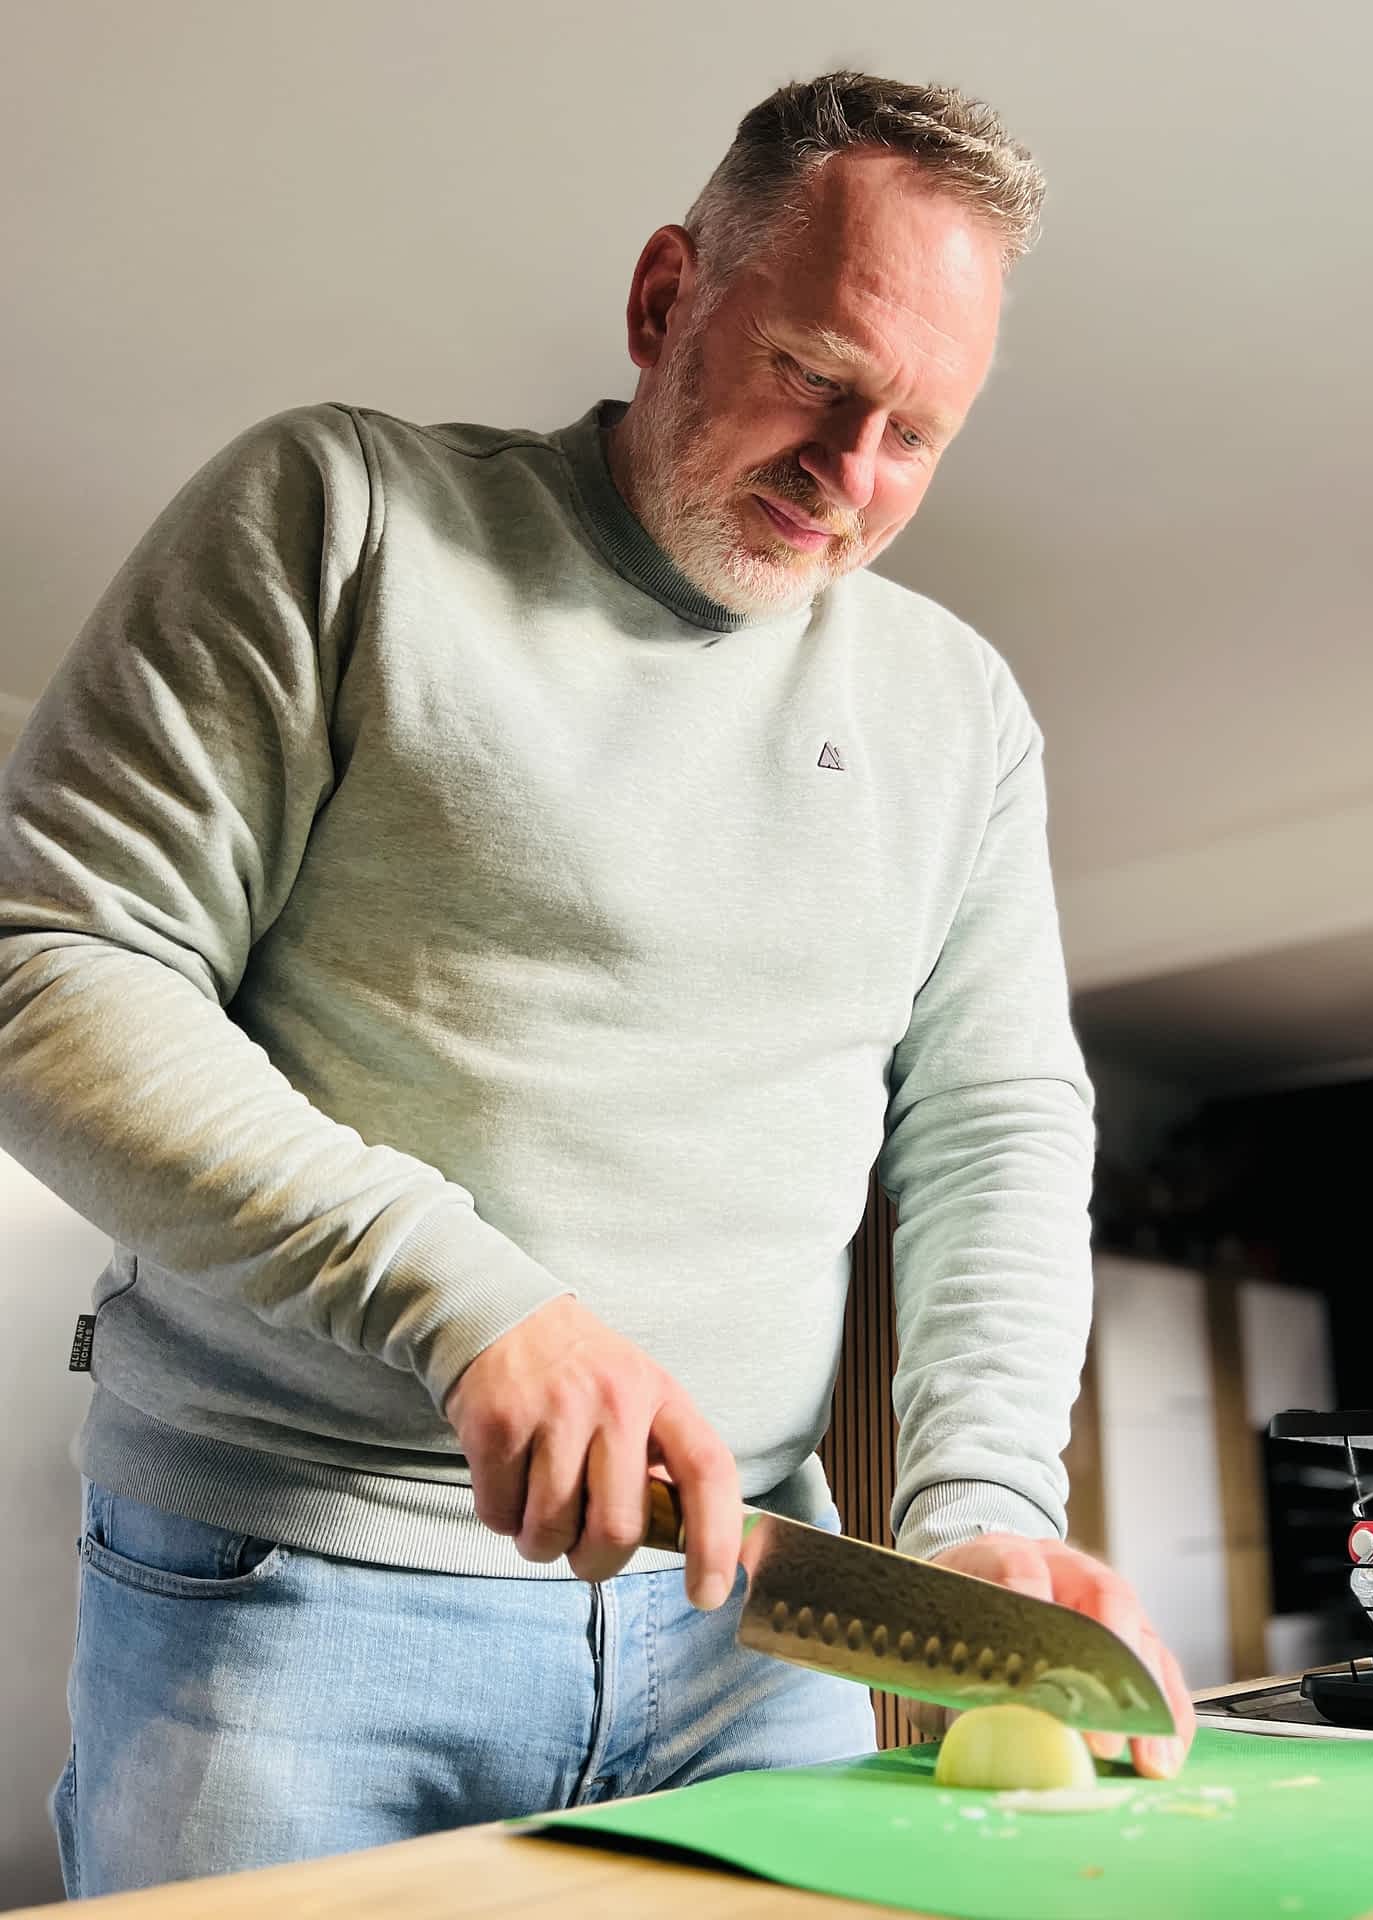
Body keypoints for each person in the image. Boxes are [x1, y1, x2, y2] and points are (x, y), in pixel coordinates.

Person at [0, 71, 1195, 1899]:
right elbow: (57, 967)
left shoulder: (961, 716)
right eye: (819, 376)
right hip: (296, 1596)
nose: (851, 480)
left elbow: (998, 1129)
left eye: (916, 435)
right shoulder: (345, 518)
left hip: (760, 1629)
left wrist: (980, 1514)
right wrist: (471, 1305)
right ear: (662, 302)